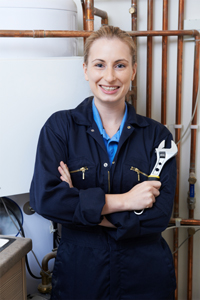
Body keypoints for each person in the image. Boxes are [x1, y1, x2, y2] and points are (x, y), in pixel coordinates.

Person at [30, 26, 177, 300]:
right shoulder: (59, 128)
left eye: (120, 65)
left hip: (145, 276)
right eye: (100, 65)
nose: (109, 76)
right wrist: (127, 201)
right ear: (86, 69)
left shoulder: (158, 137)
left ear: (133, 71)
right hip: (79, 276)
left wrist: (81, 205)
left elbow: (158, 217)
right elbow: (46, 200)